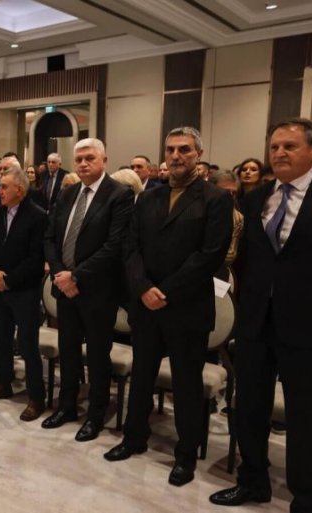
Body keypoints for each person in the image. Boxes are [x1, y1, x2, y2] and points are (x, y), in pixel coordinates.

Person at [210, 118, 312, 512]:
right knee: (250, 406)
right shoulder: (257, 197)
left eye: (290, 146)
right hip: (257, 321)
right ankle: (253, 480)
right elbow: (249, 259)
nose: (280, 153)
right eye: (274, 147)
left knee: (306, 415)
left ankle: (305, 497)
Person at [106, 127, 233, 488]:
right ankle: (134, 438)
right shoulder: (149, 197)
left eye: (184, 149)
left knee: (186, 384)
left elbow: (210, 255)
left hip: (186, 306)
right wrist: (143, 288)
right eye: (171, 149)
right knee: (141, 376)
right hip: (146, 305)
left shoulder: (215, 199)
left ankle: (185, 455)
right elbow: (130, 248)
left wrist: (165, 291)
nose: (176, 155)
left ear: (198, 154)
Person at [42, 138, 134, 441]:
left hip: (97, 290)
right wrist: (60, 273)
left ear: (104, 160)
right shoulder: (68, 193)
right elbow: (50, 238)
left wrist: (76, 276)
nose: (83, 163)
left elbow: (114, 245)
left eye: (90, 158)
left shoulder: (119, 194)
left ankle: (96, 414)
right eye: (79, 159)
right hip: (64, 287)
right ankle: (67, 406)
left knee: (97, 356)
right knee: (68, 351)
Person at [0, 164, 48, 421]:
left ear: (19, 190)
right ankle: (3, 383)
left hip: (24, 289)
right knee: (1, 338)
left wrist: (9, 279)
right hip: (0, 287)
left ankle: (36, 397)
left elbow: (35, 258)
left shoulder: (37, 216)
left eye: (4, 187)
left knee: (28, 345)